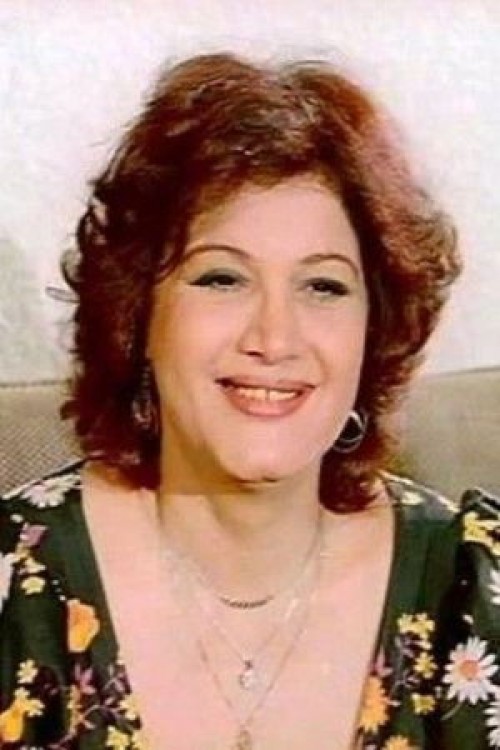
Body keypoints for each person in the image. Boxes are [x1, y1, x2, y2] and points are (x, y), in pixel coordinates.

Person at [0, 51, 498, 750]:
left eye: (323, 286)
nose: (274, 338)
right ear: (138, 315)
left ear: (374, 331)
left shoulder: (476, 584)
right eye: (222, 279)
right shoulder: (14, 583)